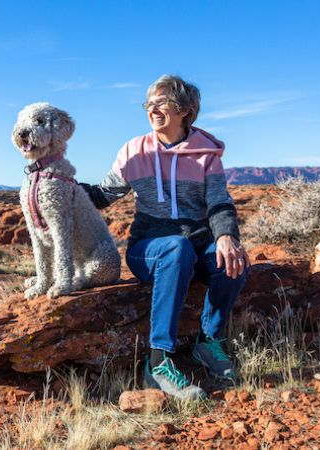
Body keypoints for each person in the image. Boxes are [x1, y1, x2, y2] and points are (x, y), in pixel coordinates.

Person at [81, 74, 250, 400]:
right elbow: (104, 195)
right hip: (150, 248)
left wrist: (227, 236)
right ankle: (158, 363)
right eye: (149, 103)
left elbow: (219, 202)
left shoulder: (206, 152)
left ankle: (208, 342)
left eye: (161, 102)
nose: (152, 109)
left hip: (196, 245)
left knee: (235, 260)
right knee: (176, 247)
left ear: (185, 108)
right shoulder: (133, 151)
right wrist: (60, 186)